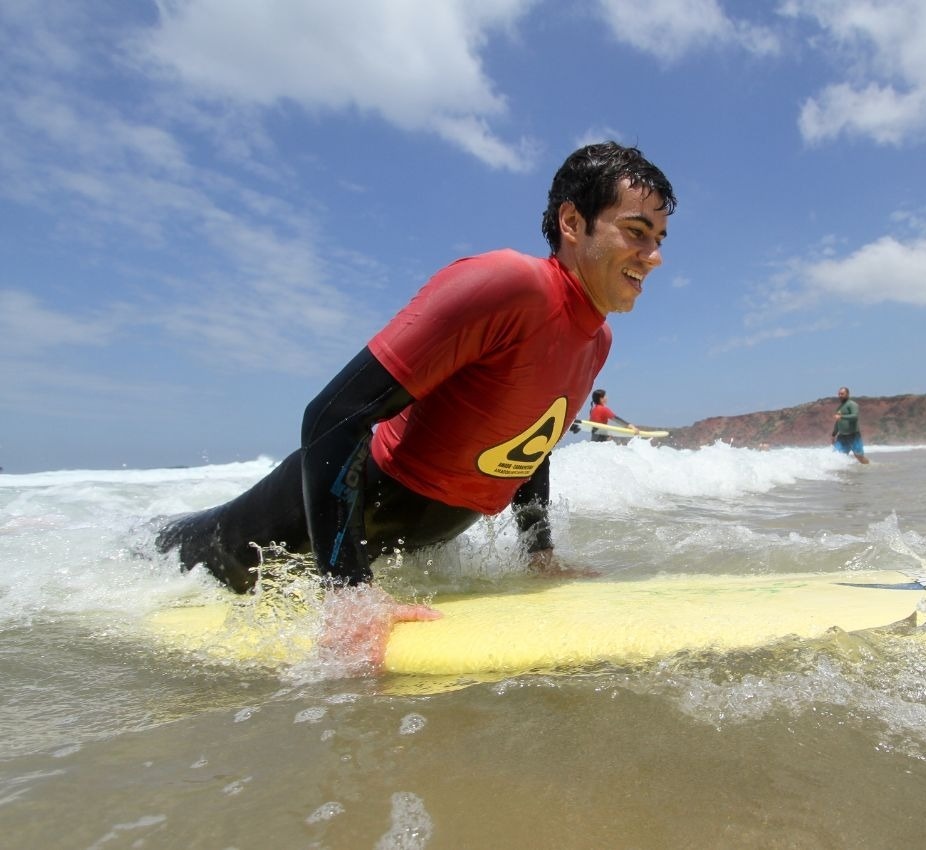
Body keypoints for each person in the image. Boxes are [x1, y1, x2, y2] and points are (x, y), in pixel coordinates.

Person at [155, 142, 675, 647]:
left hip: (376, 544)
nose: (653, 257)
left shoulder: (597, 340)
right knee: (160, 558)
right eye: (636, 232)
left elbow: (531, 441)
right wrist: (351, 594)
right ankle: (151, 537)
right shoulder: (509, 285)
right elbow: (331, 416)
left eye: (660, 239)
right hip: (273, 536)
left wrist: (538, 552)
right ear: (571, 222)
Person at [831, 387, 869, 464]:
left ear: (847, 394)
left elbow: (855, 416)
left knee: (859, 456)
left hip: (853, 435)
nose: (840, 395)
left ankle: (869, 466)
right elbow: (838, 422)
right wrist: (833, 434)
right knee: (837, 455)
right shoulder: (839, 407)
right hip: (842, 437)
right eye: (839, 394)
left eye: (842, 394)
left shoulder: (852, 404)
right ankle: (842, 473)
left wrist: (841, 416)